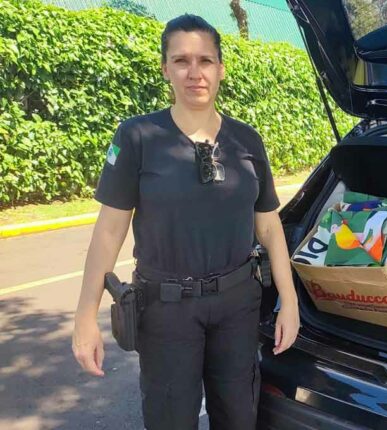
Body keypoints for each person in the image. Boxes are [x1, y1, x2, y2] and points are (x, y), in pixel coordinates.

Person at [71, 14, 300, 429]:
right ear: (165, 69)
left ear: (221, 69)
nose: (195, 73)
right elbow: (108, 232)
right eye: (181, 61)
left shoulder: (247, 141)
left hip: (237, 307)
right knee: (170, 418)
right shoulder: (138, 136)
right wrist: (85, 316)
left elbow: (268, 227)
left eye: (206, 60)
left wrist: (289, 299)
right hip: (165, 311)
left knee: (238, 415)